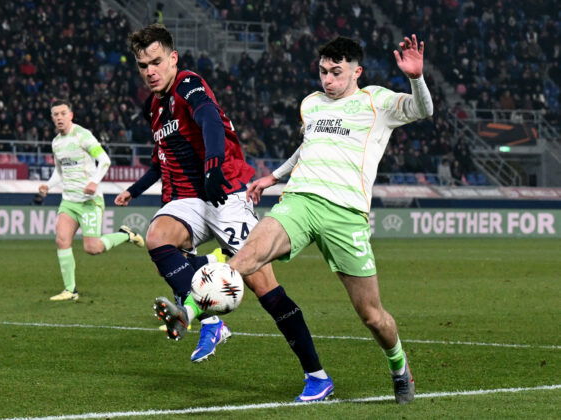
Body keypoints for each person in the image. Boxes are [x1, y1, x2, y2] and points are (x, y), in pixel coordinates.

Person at [115, 24, 330, 402]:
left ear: (173, 58)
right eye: (143, 65)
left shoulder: (188, 83)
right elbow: (159, 160)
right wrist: (134, 190)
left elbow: (210, 120)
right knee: (157, 237)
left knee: (266, 290)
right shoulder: (154, 107)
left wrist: (213, 164)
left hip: (226, 191)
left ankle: (317, 376)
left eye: (156, 62)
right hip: (191, 198)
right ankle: (210, 320)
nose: (150, 71)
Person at [230, 35, 434, 404]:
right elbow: (308, 146)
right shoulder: (311, 103)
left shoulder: (377, 101)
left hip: (346, 214)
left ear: (357, 71)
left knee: (371, 315)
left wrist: (416, 78)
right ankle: (191, 309)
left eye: (336, 72)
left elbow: (423, 110)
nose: (328, 79)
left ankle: (399, 365)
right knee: (246, 257)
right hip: (301, 201)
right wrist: (274, 177)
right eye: (323, 71)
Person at [39, 99, 145, 302]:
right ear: (52, 118)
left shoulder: (82, 135)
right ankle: (70, 290)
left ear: (71, 115)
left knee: (92, 248)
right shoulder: (56, 143)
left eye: (63, 113)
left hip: (89, 201)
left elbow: (104, 160)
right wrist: (48, 185)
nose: (59, 117)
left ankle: (125, 235)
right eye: (55, 114)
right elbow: (59, 171)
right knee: (61, 240)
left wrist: (94, 182)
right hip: (69, 201)